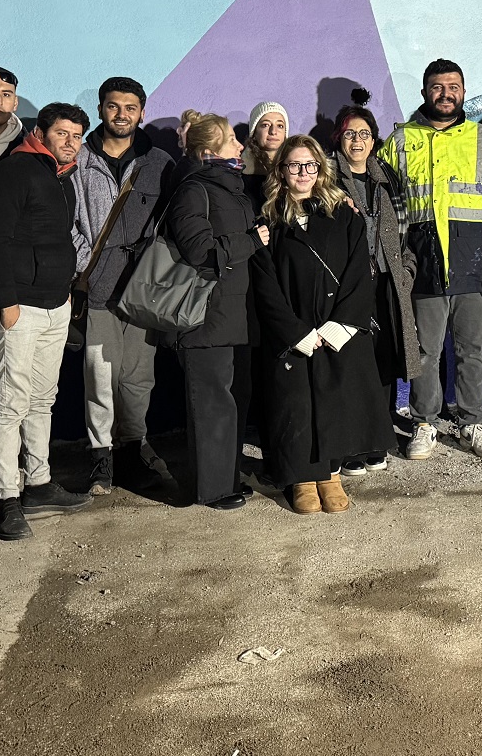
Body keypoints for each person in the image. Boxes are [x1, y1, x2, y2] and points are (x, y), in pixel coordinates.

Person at [380, 60, 482, 461]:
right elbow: (384, 204)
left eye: (453, 86)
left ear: (463, 91)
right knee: (424, 350)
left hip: (472, 263)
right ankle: (425, 422)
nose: (446, 94)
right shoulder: (400, 141)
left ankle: (471, 422)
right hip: (422, 264)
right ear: (425, 93)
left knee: (471, 348)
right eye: (438, 87)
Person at [250, 135, 388, 512]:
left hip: (334, 329)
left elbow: (359, 272)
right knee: (295, 405)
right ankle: (302, 479)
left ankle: (330, 474)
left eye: (310, 165)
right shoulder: (268, 220)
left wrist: (339, 326)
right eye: (294, 165)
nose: (303, 172)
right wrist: (295, 332)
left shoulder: (344, 215)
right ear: (281, 171)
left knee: (333, 402)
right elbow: (265, 284)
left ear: (320, 169)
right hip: (294, 333)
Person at [0, 104, 95, 539]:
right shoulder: (14, 171)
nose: (71, 143)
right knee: (9, 404)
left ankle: (39, 483)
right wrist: (6, 302)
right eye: (62, 133)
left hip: (55, 305)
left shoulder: (62, 179)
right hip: (18, 308)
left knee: (43, 400)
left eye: (77, 136)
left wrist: (65, 291)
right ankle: (6, 497)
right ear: (39, 133)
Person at [71, 76, 176, 494]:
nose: (121, 115)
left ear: (142, 113)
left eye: (130, 108)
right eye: (113, 106)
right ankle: (101, 456)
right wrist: (87, 265)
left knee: (138, 377)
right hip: (96, 290)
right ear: (100, 109)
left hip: (141, 292)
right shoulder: (80, 159)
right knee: (99, 378)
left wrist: (153, 270)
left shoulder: (159, 162)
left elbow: (170, 223)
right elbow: (65, 220)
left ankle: (133, 450)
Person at [166, 111, 269, 509]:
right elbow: (198, 250)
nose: (240, 145)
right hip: (206, 316)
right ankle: (212, 488)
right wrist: (252, 240)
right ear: (209, 150)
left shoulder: (232, 188)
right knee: (211, 403)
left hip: (239, 313)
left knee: (235, 400)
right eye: (231, 140)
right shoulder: (194, 189)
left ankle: (227, 478)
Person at [330, 92, 423, 473]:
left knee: (384, 360)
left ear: (374, 140)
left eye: (364, 134)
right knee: (352, 362)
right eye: (350, 134)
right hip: (347, 286)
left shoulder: (387, 178)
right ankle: (351, 442)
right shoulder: (326, 179)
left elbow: (406, 233)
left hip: (387, 284)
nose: (357, 141)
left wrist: (406, 272)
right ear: (339, 138)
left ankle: (378, 437)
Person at [243, 100, 289, 183]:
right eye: (265, 125)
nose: (273, 131)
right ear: (254, 132)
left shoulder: (296, 168)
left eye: (280, 126)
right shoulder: (240, 171)